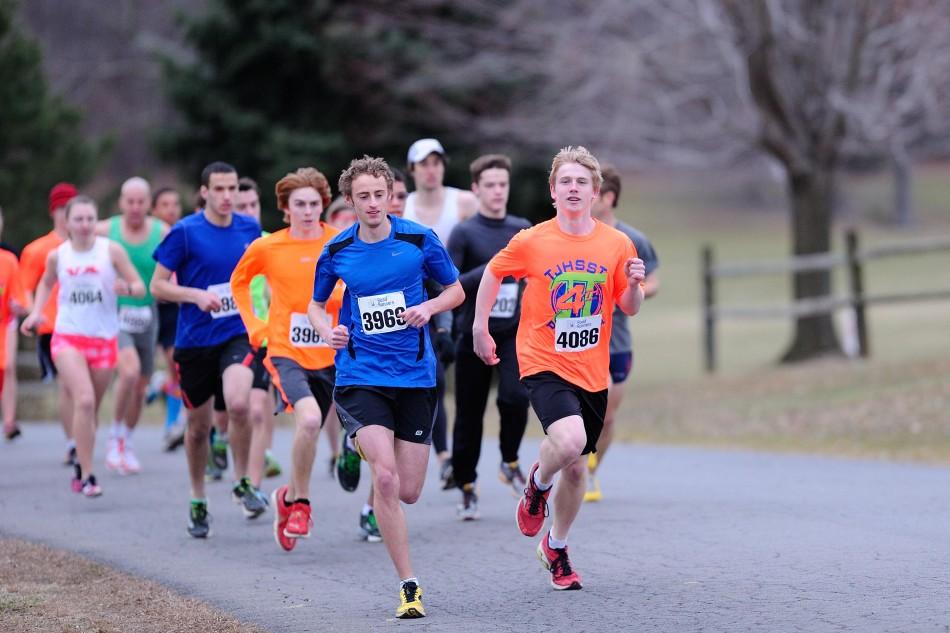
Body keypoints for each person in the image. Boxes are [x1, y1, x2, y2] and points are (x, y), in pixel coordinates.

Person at [473, 146, 645, 590]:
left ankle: (557, 545)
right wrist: (480, 327)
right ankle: (537, 482)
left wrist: (637, 284)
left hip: (591, 367)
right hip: (543, 360)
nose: (573, 189)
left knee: (577, 468)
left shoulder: (616, 243)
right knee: (568, 441)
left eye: (581, 182)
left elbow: (628, 305)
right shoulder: (534, 240)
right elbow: (493, 273)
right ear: (553, 191)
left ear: (595, 192)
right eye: (565, 182)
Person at [310, 156, 463, 618]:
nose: (373, 203)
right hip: (360, 375)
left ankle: (361, 448)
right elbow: (316, 305)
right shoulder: (337, 251)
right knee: (388, 478)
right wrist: (326, 331)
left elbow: (456, 291)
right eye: (363, 196)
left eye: (380, 195)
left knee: (410, 490)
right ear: (351, 200)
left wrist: (429, 308)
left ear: (391, 195)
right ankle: (408, 584)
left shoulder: (418, 239)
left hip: (414, 375)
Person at [151, 161, 266, 538]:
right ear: (204, 192)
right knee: (198, 429)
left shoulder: (249, 228)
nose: (228, 196)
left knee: (238, 403)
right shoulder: (185, 232)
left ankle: (244, 481)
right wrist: (194, 295)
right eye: (219, 189)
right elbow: (158, 286)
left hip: (236, 333)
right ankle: (198, 498)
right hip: (195, 341)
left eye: (232, 188)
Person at [232, 167, 343, 552]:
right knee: (310, 419)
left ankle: (286, 497)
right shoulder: (268, 247)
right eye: (300, 204)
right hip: (284, 351)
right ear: (285, 207)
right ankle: (301, 505)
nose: (309, 211)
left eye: (315, 204)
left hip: (331, 352)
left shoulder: (340, 242)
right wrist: (255, 327)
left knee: (310, 429)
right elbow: (240, 283)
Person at [21, 195, 145, 496]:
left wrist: (126, 288)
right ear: (68, 222)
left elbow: (140, 286)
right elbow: (46, 282)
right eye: (79, 219)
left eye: (90, 218)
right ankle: (88, 475)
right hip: (68, 337)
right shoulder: (58, 255)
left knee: (91, 409)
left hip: (103, 339)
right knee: (85, 400)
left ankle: (81, 459)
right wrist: (37, 312)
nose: (86, 225)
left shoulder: (111, 251)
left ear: (96, 219)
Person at [447, 154, 531, 520]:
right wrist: (494, 267)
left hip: (514, 333)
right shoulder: (464, 233)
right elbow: (447, 283)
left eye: (503, 184)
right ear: (476, 190)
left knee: (516, 397)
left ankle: (510, 459)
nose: (498, 191)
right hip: (473, 334)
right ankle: (466, 485)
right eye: (491, 185)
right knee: (470, 414)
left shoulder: (523, 228)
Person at [404, 138, 477, 487]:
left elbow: (485, 239)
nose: (431, 170)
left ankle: (449, 457)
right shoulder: (402, 207)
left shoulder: (462, 201)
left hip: (456, 297)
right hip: (414, 304)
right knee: (433, 376)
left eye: (437, 163)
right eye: (424, 164)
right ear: (413, 170)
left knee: (442, 378)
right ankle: (444, 457)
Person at [585, 166, 660, 502]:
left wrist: (632, 291)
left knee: (609, 414)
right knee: (584, 410)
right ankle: (574, 464)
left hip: (618, 341)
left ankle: (590, 470)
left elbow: (653, 281)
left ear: (608, 198)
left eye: (594, 190)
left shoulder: (632, 239)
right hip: (583, 340)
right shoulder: (579, 236)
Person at [96, 177, 168, 474]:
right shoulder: (104, 231)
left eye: (141, 202)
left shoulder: (162, 232)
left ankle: (126, 441)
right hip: (115, 315)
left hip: (148, 313)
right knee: (129, 371)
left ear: (149, 204)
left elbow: (180, 264)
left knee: (140, 385)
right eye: (130, 201)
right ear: (121, 203)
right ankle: (113, 438)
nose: (136, 207)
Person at [20, 183, 77, 464]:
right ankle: (72, 443)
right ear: (53, 211)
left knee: (84, 388)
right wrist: (35, 312)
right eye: (63, 209)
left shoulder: (92, 246)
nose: (67, 215)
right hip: (53, 327)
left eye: (72, 209)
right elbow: (26, 287)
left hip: (85, 325)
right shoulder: (37, 250)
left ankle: (80, 438)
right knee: (67, 384)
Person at [235, 177, 283, 484]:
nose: (249, 211)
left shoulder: (271, 242)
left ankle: (255, 473)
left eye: (253, 205)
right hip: (226, 334)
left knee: (257, 406)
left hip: (263, 334)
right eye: (242, 207)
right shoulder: (224, 240)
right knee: (233, 410)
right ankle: (240, 455)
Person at [149, 187, 186, 450]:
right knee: (167, 364)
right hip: (152, 306)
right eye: (165, 204)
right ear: (154, 210)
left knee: (176, 362)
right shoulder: (150, 236)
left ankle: (174, 422)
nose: (171, 209)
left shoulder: (185, 232)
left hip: (178, 305)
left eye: (175, 204)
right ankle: (159, 383)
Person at [0, 206, 24, 440]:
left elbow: (20, 297)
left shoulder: (8, 259)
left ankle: (9, 420)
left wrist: (20, 306)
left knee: (7, 367)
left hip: (5, 323)